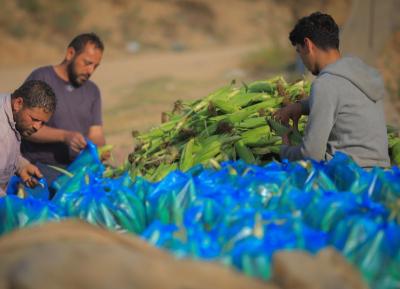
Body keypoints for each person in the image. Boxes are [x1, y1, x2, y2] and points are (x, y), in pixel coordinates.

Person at [274, 12, 390, 168]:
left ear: (308, 45)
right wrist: (300, 106)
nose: (302, 59)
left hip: (350, 177)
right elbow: (342, 97)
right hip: (379, 174)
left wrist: (284, 151)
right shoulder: (358, 74)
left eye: (299, 52)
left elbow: (311, 154)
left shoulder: (325, 84)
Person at [21, 33, 107, 182]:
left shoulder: (92, 90)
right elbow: (24, 128)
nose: (90, 71)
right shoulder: (42, 78)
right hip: (41, 167)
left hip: (78, 168)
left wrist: (100, 149)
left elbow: (96, 133)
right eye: (87, 63)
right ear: (70, 53)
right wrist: (65, 136)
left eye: (95, 66)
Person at [0, 80, 56, 195]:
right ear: (18, 103)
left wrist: (21, 166)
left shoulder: (7, 104)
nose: (37, 127)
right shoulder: (2, 132)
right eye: (34, 119)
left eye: (42, 123)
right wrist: (9, 206)